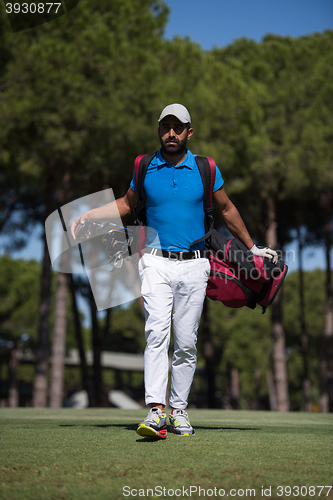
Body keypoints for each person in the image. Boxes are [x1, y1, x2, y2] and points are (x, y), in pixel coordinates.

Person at [71, 103, 277, 439]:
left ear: (188, 132)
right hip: (154, 260)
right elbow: (126, 203)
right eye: (166, 127)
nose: (171, 133)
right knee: (156, 333)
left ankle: (179, 411)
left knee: (185, 343)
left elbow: (226, 209)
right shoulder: (144, 165)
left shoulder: (205, 168)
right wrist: (91, 215)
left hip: (196, 264)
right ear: (159, 130)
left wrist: (252, 248)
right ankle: (156, 411)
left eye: (177, 127)